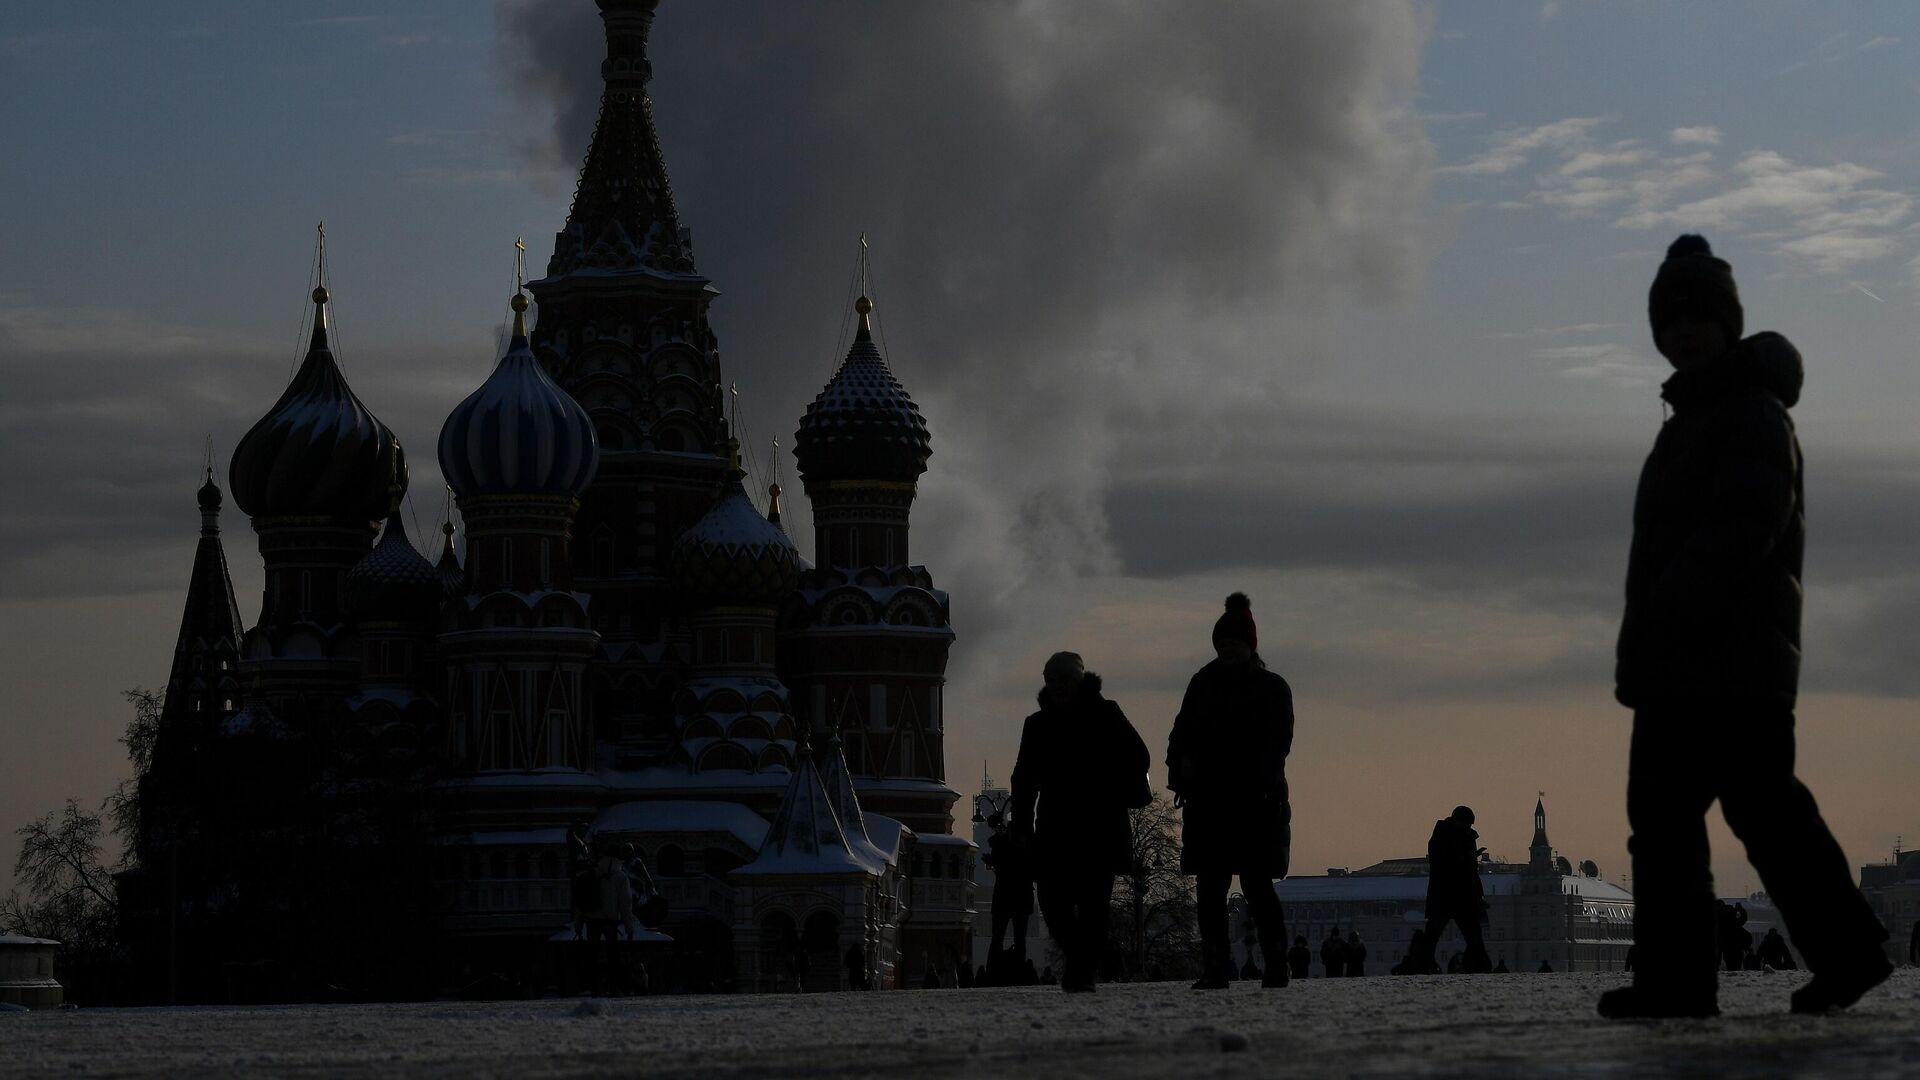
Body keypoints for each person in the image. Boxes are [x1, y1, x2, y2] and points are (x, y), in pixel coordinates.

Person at [1602, 235, 1891, 1019]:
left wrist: (1670, 611)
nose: (1683, 332)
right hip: (1678, 662)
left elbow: (1744, 526)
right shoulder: (1690, 420)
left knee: (1762, 814)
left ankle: (1849, 954)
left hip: (1734, 662)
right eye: (1671, 321)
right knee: (1663, 827)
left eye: (1697, 317)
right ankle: (1676, 984)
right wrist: (1645, 646)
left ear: (1727, 325)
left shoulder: (1751, 413)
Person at [1167, 593, 1295, 990]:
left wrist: (1263, 783)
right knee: (1210, 889)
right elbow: (1181, 733)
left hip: (1254, 801)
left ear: (1249, 644)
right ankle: (1216, 965)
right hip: (1210, 801)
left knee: (1256, 886)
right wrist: (1180, 771)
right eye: (1222, 644)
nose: (1227, 649)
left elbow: (1278, 743)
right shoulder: (1203, 683)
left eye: (1233, 643)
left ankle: (1275, 963)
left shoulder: (1271, 687)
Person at [1011, 651, 1151, 994]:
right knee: (1052, 904)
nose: (1058, 686)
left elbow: (1139, 756)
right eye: (1052, 680)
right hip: (1054, 827)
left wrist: (1108, 781)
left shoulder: (1106, 713)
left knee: (1093, 905)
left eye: (1064, 679)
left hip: (1098, 826)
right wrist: (1022, 827)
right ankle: (1082, 959)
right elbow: (1024, 779)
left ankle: (1081, 972)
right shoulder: (1037, 724)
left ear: (1078, 681)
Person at [1419, 807, 1491, 974]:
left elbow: (1470, 872)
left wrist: (1478, 894)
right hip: (1448, 895)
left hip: (1456, 896)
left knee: (1471, 936)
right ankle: (1424, 966)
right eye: (1467, 824)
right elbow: (1447, 867)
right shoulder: (1445, 838)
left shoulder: (1463, 837)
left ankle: (1481, 966)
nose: (1469, 827)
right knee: (1435, 936)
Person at [572, 838, 634, 995]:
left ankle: (594, 988)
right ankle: (613, 987)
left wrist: (578, 925)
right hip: (610, 920)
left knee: (592, 954)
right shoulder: (621, 876)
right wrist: (629, 928)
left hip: (592, 919)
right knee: (613, 955)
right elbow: (625, 905)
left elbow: (580, 901)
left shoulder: (593, 872)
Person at [981, 812, 1035, 968]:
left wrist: (993, 861)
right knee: (1018, 937)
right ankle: (1016, 966)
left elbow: (996, 857)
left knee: (999, 936)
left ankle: (994, 967)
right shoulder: (1025, 848)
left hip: (1004, 899)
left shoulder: (1002, 845)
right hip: (1020, 899)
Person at [1716, 901, 1752, 972]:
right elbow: (1742, 920)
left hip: (1728, 948)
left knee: (1732, 968)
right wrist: (1742, 911)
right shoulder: (1730, 914)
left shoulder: (1720, 921)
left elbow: (1718, 941)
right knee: (1735, 968)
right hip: (1736, 947)